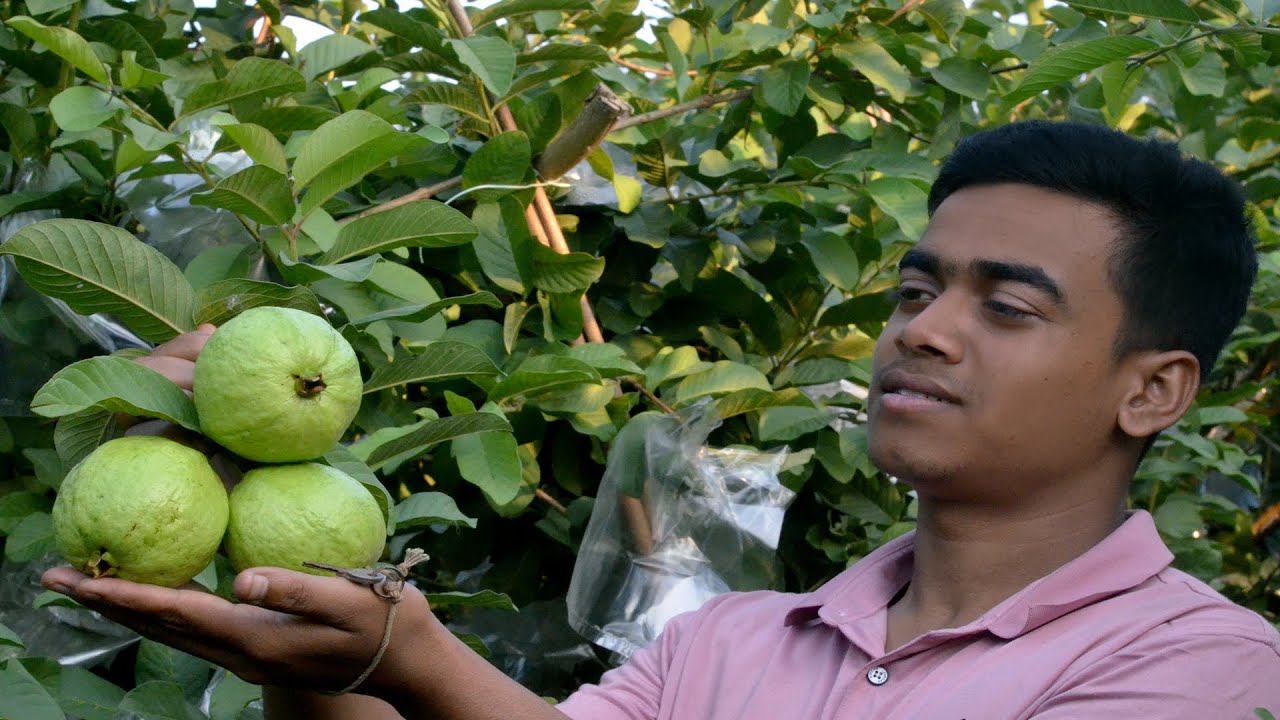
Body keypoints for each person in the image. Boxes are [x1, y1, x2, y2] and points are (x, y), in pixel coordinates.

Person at [43, 120, 1280, 719]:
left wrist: (410, 658)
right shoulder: (735, 645)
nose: (922, 330)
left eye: (1004, 307)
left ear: (1151, 389)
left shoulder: (1202, 672)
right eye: (913, 290)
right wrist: (299, 626)